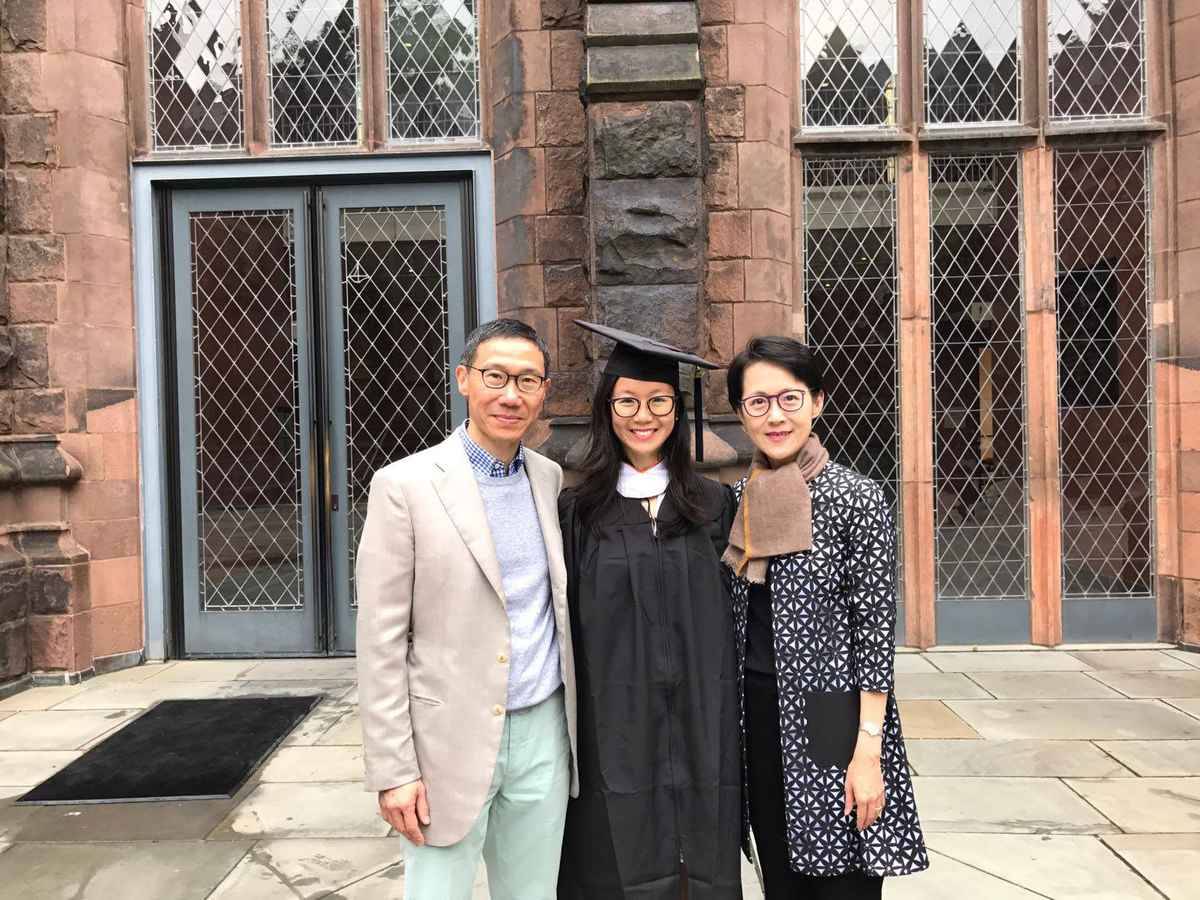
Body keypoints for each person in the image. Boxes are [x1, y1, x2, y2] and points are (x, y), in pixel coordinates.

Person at [355, 318, 578, 900]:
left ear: (544, 391)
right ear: (463, 380)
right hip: (444, 741)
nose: (511, 395)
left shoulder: (549, 480)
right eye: (495, 376)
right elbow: (380, 643)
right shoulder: (403, 485)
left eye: (527, 380)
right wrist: (393, 770)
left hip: (543, 734)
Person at [723, 337, 928, 899]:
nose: (775, 415)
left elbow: (874, 633)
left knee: (844, 883)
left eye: (789, 399)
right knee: (782, 882)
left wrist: (868, 751)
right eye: (758, 402)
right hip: (760, 716)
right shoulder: (742, 497)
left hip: (832, 717)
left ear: (817, 402)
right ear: (742, 413)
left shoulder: (854, 498)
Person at [558, 321, 743, 899]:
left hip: (700, 709)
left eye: (659, 400)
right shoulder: (579, 510)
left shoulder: (713, 504)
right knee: (612, 847)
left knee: (702, 837)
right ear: (607, 409)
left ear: (678, 408)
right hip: (610, 713)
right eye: (629, 401)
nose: (644, 415)